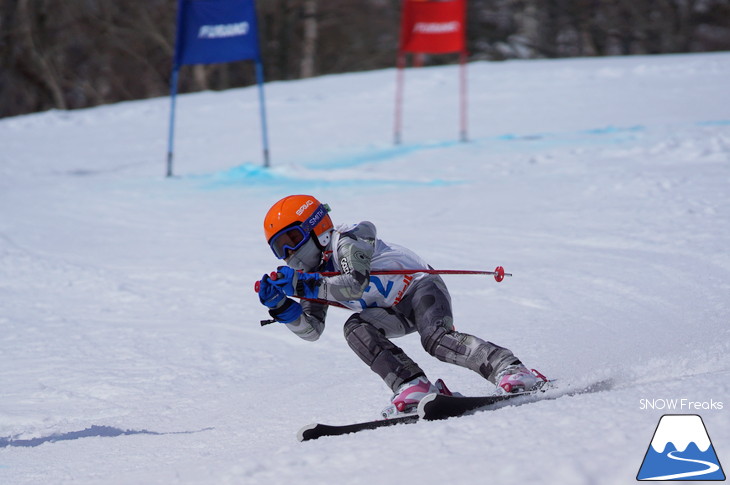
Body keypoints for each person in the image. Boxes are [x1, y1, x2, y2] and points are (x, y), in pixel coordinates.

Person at [257, 194, 545, 417]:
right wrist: (281, 306)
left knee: (436, 339)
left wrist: (300, 285)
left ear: (317, 227)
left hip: (420, 287)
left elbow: (355, 282)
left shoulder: (347, 240)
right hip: (390, 312)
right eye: (278, 248)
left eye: (292, 239)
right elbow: (311, 331)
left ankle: (509, 368)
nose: (288, 254)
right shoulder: (311, 277)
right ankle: (411, 385)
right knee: (355, 327)